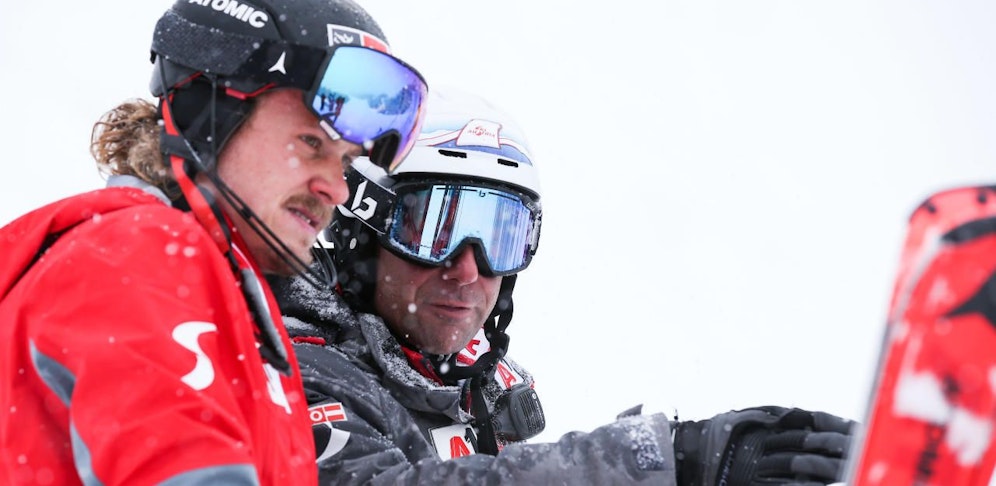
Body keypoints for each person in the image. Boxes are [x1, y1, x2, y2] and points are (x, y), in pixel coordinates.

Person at [271, 87, 858, 485]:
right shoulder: (294, 373)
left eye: (500, 237)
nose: (469, 270)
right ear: (364, 233)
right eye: (434, 229)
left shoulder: (472, 385)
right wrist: (660, 459)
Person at [0, 1, 427, 484]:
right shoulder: (141, 253)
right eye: (313, 144)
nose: (337, 189)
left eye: (346, 162)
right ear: (212, 117)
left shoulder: (234, 308)